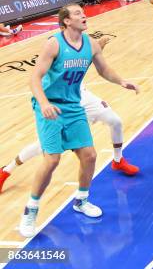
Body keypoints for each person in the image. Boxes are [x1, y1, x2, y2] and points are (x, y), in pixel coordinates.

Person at [19, 4, 139, 238]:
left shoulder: (91, 44)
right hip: (50, 105)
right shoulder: (54, 43)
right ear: (66, 21)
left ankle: (81, 200)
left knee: (89, 155)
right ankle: (30, 210)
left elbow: (104, 70)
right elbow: (35, 77)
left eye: (83, 12)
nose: (83, 15)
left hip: (73, 106)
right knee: (52, 159)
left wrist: (122, 82)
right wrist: (43, 103)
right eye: (77, 13)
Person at [0, 37, 139, 193]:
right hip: (64, 104)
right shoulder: (51, 62)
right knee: (42, 147)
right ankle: (6, 171)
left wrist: (97, 47)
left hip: (84, 97)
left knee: (115, 121)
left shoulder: (78, 49)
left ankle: (118, 160)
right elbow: (35, 80)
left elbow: (88, 60)